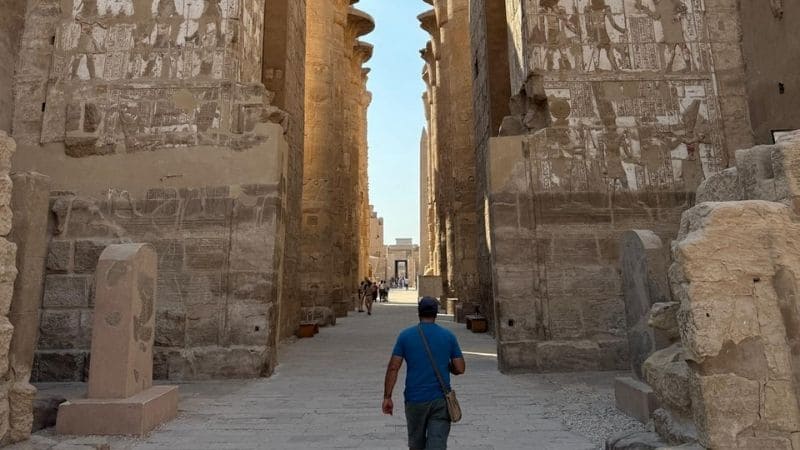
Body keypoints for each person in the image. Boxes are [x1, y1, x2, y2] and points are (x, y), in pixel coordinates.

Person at [382, 297, 466, 450]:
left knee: (416, 444)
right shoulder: (448, 336)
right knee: (437, 445)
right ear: (436, 313)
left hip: (415, 400)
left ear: (418, 313)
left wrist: (387, 397)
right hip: (440, 400)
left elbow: (393, 367)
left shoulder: (405, 336)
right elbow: (460, 368)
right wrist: (448, 367)